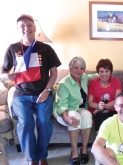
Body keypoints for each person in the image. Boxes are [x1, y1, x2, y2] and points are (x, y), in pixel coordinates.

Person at [0, 14, 61, 165]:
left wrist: (47, 90)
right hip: (21, 95)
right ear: (18, 29)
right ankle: (31, 159)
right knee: (25, 123)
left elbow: (54, 73)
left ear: (34, 28)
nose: (26, 28)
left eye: (29, 25)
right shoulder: (12, 48)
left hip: (43, 93)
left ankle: (42, 156)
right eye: (22, 26)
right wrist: (8, 76)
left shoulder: (46, 49)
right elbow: (2, 74)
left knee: (44, 122)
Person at [53, 57, 98, 165]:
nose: (79, 71)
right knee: (74, 116)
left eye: (82, 68)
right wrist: (65, 117)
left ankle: (84, 149)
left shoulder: (84, 78)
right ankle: (74, 152)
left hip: (80, 108)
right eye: (76, 68)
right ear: (70, 68)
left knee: (87, 115)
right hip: (65, 111)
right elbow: (62, 105)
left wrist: (104, 74)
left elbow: (95, 75)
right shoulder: (64, 83)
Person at [88, 59, 122, 133]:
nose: (104, 74)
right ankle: (101, 143)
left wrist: (101, 108)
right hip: (99, 112)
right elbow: (90, 102)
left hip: (114, 110)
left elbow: (118, 100)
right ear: (98, 72)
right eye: (101, 71)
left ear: (110, 72)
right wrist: (98, 107)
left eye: (107, 71)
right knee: (100, 116)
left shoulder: (116, 81)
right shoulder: (93, 83)